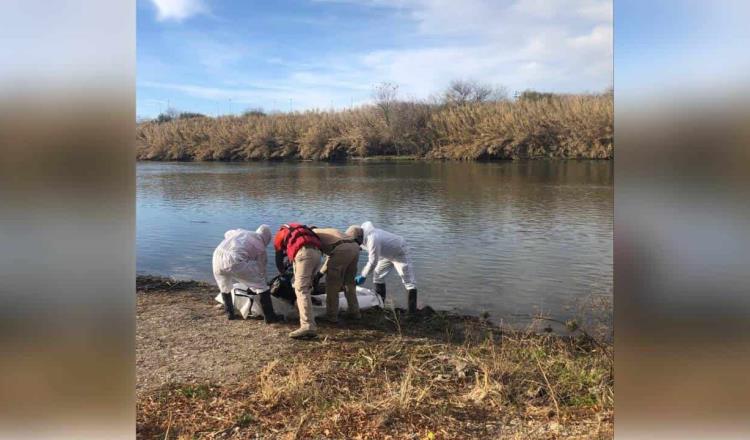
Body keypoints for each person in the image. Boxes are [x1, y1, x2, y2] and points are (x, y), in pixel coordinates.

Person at [212, 225, 282, 323]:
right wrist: (264, 284)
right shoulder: (261, 247)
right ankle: (270, 317)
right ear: (267, 238)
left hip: (217, 256)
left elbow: (227, 233)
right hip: (235, 260)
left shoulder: (241, 232)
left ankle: (230, 314)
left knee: (225, 287)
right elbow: (262, 270)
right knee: (261, 287)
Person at [346, 221, 418, 314]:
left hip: (399, 252)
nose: (355, 243)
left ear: (359, 237)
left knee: (409, 281)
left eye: (355, 241)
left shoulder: (373, 238)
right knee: (378, 277)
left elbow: (373, 262)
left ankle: (412, 313)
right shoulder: (362, 237)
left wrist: (363, 275)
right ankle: (380, 305)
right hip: (385, 255)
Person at [274, 223, 323, 339]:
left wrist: (282, 274)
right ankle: (303, 312)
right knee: (306, 287)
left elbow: (278, 258)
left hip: (304, 254)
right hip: (317, 254)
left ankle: (308, 326)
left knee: (301, 289)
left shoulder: (280, 234)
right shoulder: (302, 231)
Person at [312, 227, 361, 323]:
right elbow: (331, 256)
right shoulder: (326, 231)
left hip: (341, 249)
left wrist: (315, 275)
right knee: (349, 283)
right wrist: (320, 273)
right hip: (355, 247)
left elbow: (319, 258)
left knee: (332, 284)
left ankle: (331, 316)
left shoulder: (312, 235)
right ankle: (355, 312)